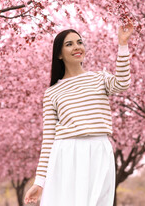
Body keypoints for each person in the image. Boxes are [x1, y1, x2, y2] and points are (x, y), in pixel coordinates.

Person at [24, 21, 134, 206]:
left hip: (99, 150)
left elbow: (122, 82)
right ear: (59, 54)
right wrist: (40, 182)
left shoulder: (100, 78)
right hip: (66, 153)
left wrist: (122, 44)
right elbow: (49, 139)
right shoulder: (52, 93)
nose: (77, 47)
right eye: (69, 44)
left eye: (79, 42)